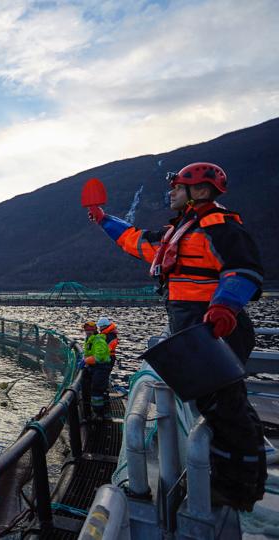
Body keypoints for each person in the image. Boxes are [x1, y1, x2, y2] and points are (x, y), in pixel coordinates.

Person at [88, 162, 265, 511]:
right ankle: (223, 475)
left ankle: (239, 488)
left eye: (178, 187)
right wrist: (104, 219)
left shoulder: (221, 227)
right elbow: (136, 241)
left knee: (226, 406)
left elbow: (245, 270)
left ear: (199, 191)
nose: (171, 192)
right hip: (193, 328)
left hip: (213, 328)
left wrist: (225, 307)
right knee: (211, 405)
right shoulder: (181, 231)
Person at [81, 321, 112, 421]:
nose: (87, 332)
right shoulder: (89, 339)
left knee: (97, 391)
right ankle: (95, 412)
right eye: (86, 330)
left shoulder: (98, 340)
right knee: (93, 389)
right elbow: (88, 353)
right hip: (94, 368)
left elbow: (99, 358)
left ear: (94, 330)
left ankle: (99, 414)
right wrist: (84, 360)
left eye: (90, 330)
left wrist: (85, 361)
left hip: (101, 368)